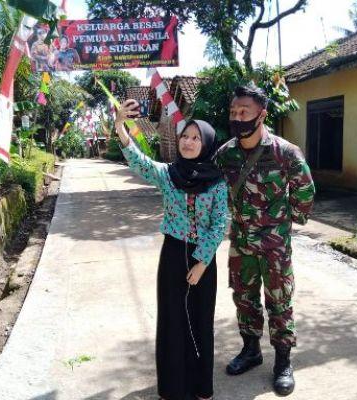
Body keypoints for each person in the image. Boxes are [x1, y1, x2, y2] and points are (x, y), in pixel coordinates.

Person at [115, 99, 229, 400]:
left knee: (201, 320)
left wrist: (202, 262)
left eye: (195, 138)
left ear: (206, 144)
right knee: (172, 319)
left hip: (204, 259)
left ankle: (201, 386)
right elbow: (139, 162)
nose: (188, 142)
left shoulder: (217, 182)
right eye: (185, 136)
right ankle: (172, 388)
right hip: (173, 254)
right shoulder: (168, 174)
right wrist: (120, 126)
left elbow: (220, 223)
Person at [216, 84, 315, 396]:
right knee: (244, 298)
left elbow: (304, 191)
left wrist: (284, 223)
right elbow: (213, 190)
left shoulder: (285, 152)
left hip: (275, 246)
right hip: (241, 242)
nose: (237, 118)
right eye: (233, 112)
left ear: (262, 115)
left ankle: (283, 362)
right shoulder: (225, 154)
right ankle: (251, 350)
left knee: (279, 301)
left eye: (244, 112)